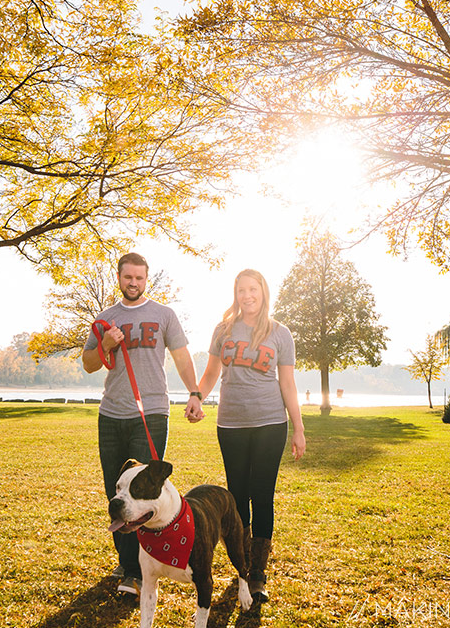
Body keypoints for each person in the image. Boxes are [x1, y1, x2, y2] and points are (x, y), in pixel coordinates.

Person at [82, 252, 203, 595]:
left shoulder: (164, 315)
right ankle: (128, 564)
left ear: (146, 279)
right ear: (118, 278)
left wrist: (194, 392)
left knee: (142, 492)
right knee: (116, 491)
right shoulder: (106, 318)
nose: (133, 283)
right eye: (128, 277)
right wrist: (105, 344)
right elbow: (89, 363)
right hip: (111, 415)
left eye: (139, 278)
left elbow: (181, 356)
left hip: (150, 413)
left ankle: (137, 572)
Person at [192, 269, 306, 603]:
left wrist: (298, 428)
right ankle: (241, 568)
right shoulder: (223, 330)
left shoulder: (280, 333)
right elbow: (212, 372)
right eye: (241, 290)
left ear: (263, 292)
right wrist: (197, 396)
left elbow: (287, 383)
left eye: (252, 289)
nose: (247, 295)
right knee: (237, 498)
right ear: (235, 293)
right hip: (231, 424)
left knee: (262, 495)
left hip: (270, 424)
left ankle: (257, 573)